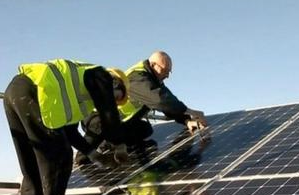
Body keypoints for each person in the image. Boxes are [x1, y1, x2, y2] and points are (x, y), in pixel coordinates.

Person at [3, 59, 130, 195]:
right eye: (118, 97)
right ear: (116, 83)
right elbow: (108, 112)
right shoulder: (101, 75)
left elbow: (70, 133)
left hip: (15, 91)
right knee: (60, 156)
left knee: (31, 159)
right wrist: (119, 146)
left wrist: (95, 156)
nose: (115, 102)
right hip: (35, 92)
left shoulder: (76, 97)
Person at [74, 51, 207, 165]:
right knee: (93, 139)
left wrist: (186, 120)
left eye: (169, 72)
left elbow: (168, 101)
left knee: (144, 129)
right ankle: (81, 162)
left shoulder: (154, 81)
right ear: (153, 65)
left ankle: (114, 145)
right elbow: (160, 100)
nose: (167, 75)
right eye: (164, 70)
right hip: (98, 118)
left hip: (121, 122)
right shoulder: (137, 77)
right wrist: (190, 111)